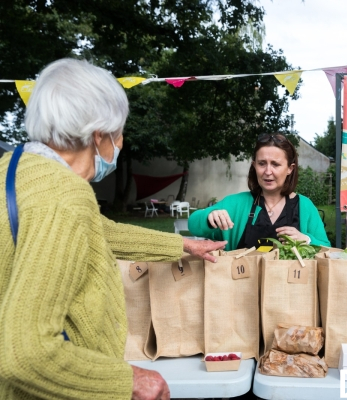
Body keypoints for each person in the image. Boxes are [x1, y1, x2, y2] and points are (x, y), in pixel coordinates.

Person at [0, 58, 227, 400]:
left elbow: (96, 231)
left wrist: (184, 246)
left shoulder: (13, 169)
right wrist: (128, 382)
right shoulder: (64, 196)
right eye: (119, 133)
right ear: (98, 134)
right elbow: (26, 354)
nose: (120, 144)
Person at [188, 133, 330, 250]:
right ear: (254, 166)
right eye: (262, 164)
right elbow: (193, 225)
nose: (268, 172)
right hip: (241, 282)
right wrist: (209, 217)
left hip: (291, 283)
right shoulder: (236, 204)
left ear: (290, 169)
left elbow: (326, 248)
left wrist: (307, 239)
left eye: (275, 164)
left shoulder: (305, 206)